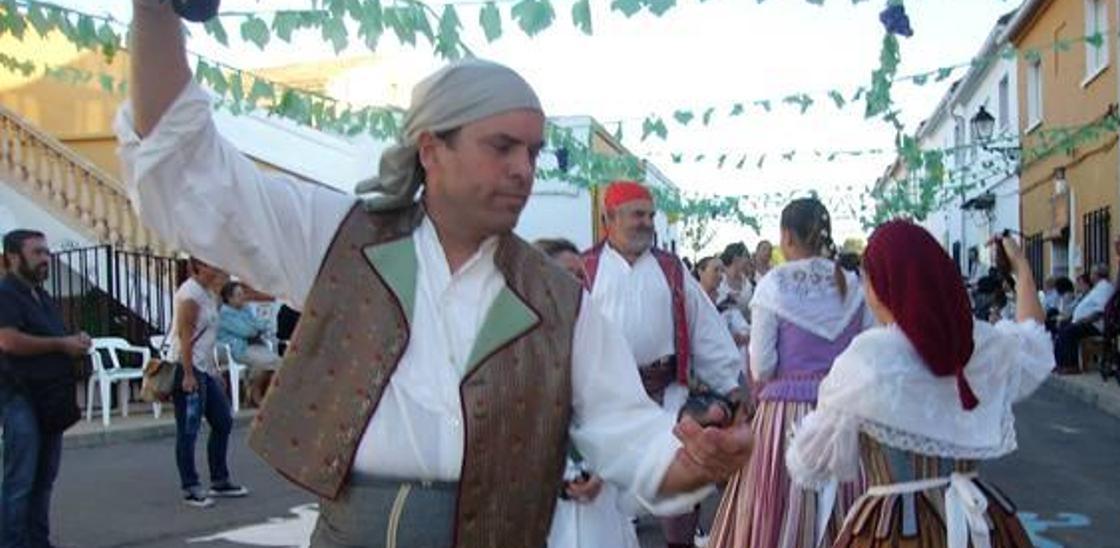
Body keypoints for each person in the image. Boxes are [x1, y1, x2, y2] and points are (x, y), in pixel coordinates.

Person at [122, 7, 749, 545]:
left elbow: (628, 435)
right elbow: (189, 175)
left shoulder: (560, 302)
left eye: (531, 152)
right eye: (500, 146)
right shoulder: (341, 239)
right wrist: (155, 12)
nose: (523, 169)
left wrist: (695, 463)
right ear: (431, 149)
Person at [786, 220, 1051, 547]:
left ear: (884, 287)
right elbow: (1034, 339)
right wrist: (1021, 268)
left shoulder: (868, 358)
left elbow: (809, 465)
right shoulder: (980, 345)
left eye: (868, 282)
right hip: (978, 525)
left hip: (893, 530)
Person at [579, 181, 744, 548]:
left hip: (667, 394)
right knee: (605, 499)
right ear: (609, 218)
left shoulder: (671, 269)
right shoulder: (586, 269)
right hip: (607, 401)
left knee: (679, 494)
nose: (647, 223)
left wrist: (732, 386)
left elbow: (705, 330)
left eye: (650, 215)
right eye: (638, 215)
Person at [709, 198, 873, 548]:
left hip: (786, 420)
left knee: (778, 509)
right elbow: (868, 351)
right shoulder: (852, 283)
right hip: (844, 413)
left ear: (786, 236)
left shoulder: (774, 284)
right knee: (848, 508)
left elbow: (762, 366)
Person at [535, 239, 639, 548]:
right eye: (567, 274)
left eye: (581, 276)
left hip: (598, 491)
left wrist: (602, 471)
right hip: (539, 497)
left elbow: (625, 410)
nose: (578, 284)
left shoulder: (604, 335)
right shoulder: (516, 344)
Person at [0, 229, 91, 547]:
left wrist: (75, 341)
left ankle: (38, 542)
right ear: (13, 257)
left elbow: (57, 337)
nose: (45, 259)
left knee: (43, 480)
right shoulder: (6, 293)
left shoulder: (42, 295)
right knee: (20, 481)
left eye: (46, 252)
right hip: (20, 396)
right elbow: (7, 340)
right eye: (37, 252)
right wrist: (60, 344)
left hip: (51, 398)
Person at [168, 257, 249, 507]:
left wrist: (213, 371)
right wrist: (190, 374)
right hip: (188, 368)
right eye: (210, 265)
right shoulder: (190, 294)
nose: (216, 270)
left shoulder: (207, 293)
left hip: (204, 368)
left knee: (223, 421)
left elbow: (208, 338)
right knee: (189, 429)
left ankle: (219, 479)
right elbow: (185, 336)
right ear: (196, 267)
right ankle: (191, 485)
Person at [217, 281, 281, 408]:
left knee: (278, 362)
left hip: (255, 346)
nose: (243, 297)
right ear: (229, 299)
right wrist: (255, 327)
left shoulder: (246, 309)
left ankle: (253, 390)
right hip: (238, 349)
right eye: (239, 295)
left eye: (243, 294)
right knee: (272, 362)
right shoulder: (225, 314)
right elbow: (247, 331)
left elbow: (264, 324)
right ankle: (255, 394)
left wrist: (255, 327)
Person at [1053, 264, 1114, 372]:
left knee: (1069, 331)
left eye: (1092, 273)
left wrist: (1082, 320)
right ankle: (1059, 363)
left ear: (1097, 275)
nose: (1090, 276)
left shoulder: (1105, 287)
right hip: (1085, 322)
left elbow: (1100, 311)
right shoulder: (1097, 287)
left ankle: (1071, 365)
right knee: (1062, 327)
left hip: (1095, 324)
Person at [695, 257, 749, 350]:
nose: (720, 275)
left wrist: (741, 337)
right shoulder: (693, 300)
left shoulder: (727, 300)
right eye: (715, 270)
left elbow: (744, 329)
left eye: (722, 271)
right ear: (700, 272)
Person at [719, 243, 755, 321]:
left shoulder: (748, 284)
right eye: (745, 256)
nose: (748, 260)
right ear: (736, 258)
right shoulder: (719, 281)